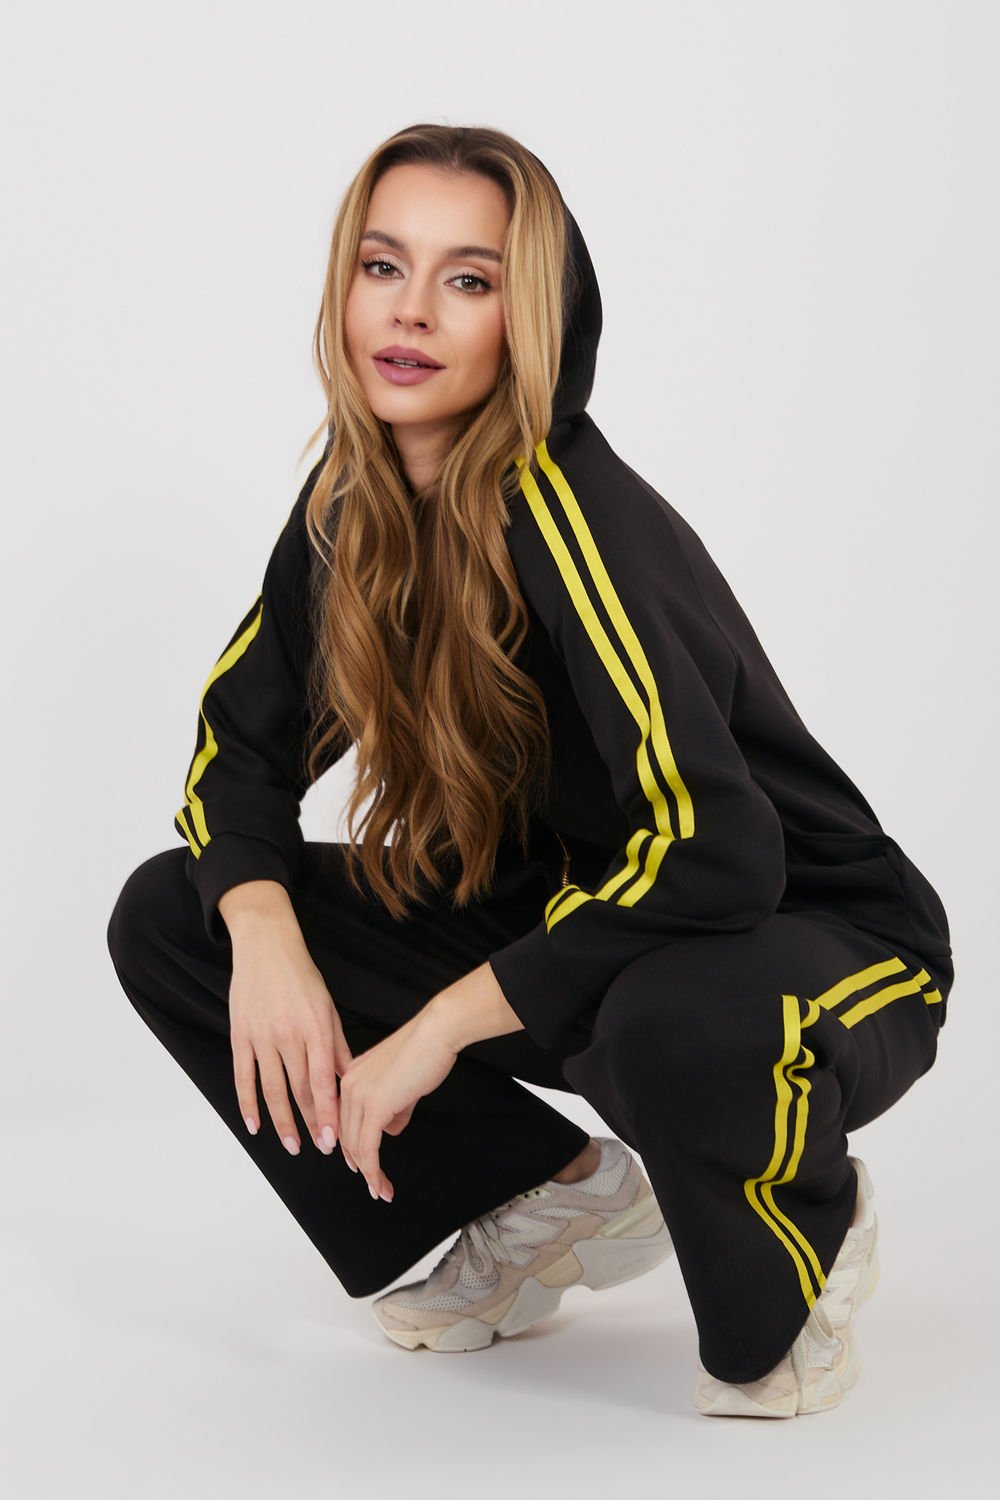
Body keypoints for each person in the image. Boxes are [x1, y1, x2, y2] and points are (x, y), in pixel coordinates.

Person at [106, 122, 954, 1419]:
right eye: (384, 266)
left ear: (532, 318)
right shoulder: (355, 503)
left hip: (809, 940)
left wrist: (436, 1032)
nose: (411, 310)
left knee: (679, 1046)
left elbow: (716, 854)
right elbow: (242, 751)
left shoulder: (570, 514)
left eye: (469, 279)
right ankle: (539, 1197)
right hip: (580, 915)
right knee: (180, 914)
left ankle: (810, 1225)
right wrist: (264, 934)